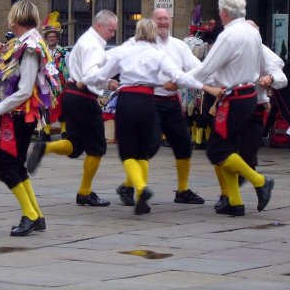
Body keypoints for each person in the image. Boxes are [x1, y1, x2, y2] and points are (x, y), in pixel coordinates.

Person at [83, 18, 222, 214]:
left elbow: (98, 75)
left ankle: (139, 187)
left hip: (127, 101)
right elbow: (181, 77)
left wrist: (96, 81)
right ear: (153, 34)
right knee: (142, 150)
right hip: (148, 102)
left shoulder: (123, 51)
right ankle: (141, 195)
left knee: (128, 152)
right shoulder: (158, 55)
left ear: (137, 32)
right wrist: (207, 88)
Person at [187, 0, 275, 217]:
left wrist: (180, 78)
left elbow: (207, 68)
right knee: (227, 149)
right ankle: (235, 203)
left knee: (217, 150)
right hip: (247, 94)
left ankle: (260, 181)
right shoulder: (252, 33)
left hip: (233, 97)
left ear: (224, 12)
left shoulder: (229, 35)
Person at [27, 10, 119, 208]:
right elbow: (90, 75)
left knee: (75, 144)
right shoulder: (93, 46)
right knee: (97, 148)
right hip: (84, 97)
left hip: (71, 96)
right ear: (100, 25)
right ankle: (85, 192)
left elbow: (72, 66)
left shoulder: (84, 41)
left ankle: (45, 147)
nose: (112, 34)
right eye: (111, 30)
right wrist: (108, 82)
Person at [115, 8, 206, 207]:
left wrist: (210, 82)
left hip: (171, 102)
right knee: (150, 145)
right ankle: (132, 186)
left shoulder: (179, 46)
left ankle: (182, 190)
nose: (164, 22)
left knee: (183, 144)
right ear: (151, 22)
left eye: (166, 19)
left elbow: (197, 68)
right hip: (148, 101)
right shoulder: (137, 44)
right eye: (159, 19)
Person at [0, 0, 57, 236]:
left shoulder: (31, 47)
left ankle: (31, 215)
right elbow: (11, 74)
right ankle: (36, 214)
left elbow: (24, 89)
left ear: (14, 19)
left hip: (19, 116)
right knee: (15, 165)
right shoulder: (24, 43)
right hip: (17, 115)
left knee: (2, 165)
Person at [214, 20, 288, 210]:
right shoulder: (231, 49)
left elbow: (281, 77)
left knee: (244, 157)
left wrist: (269, 78)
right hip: (229, 106)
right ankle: (231, 198)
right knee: (225, 153)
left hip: (254, 107)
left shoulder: (262, 52)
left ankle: (251, 189)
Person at [38, 11, 69, 141]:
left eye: (53, 36)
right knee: (45, 106)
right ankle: (46, 132)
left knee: (62, 106)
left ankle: (64, 131)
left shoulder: (64, 52)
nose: (51, 38)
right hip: (45, 83)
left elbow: (69, 67)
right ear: (46, 38)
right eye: (49, 36)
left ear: (57, 38)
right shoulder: (42, 52)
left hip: (60, 83)